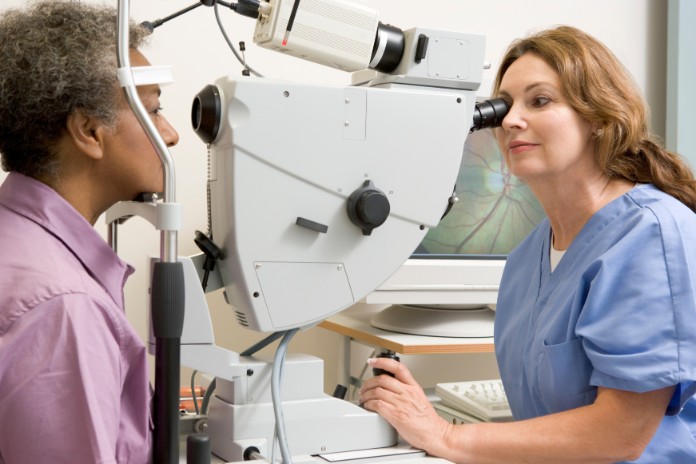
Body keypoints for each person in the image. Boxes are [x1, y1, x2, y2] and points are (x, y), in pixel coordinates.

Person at [360, 25, 696, 463]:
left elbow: (621, 432)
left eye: (540, 101)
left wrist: (446, 435)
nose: (512, 120)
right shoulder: (526, 259)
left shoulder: (651, 235)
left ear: (597, 117)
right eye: (505, 105)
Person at [0, 1, 179, 463]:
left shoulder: (19, 245)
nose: (172, 134)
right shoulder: (63, 307)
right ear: (89, 130)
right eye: (155, 110)